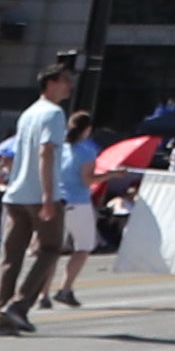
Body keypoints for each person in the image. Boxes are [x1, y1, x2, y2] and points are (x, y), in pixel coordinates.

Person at [0, 61, 75, 337]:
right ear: (51, 83)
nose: (69, 86)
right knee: (51, 248)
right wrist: (49, 196)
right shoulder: (54, 114)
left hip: (16, 193)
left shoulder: (28, 113)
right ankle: (19, 304)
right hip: (40, 194)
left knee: (11, 257)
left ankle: (2, 317)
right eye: (65, 80)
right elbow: (46, 152)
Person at [50, 123, 102, 311]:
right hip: (78, 201)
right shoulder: (87, 151)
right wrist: (111, 175)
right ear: (86, 130)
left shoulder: (59, 148)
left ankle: (42, 294)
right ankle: (65, 288)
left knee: (53, 249)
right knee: (84, 246)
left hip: (57, 198)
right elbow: (87, 180)